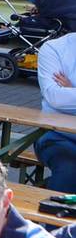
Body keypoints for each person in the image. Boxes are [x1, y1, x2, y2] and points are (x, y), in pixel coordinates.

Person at [37, 26, 76, 191]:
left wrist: (70, 88)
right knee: (69, 169)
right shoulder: (54, 48)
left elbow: (62, 98)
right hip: (58, 135)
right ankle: (52, 214)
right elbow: (55, 98)